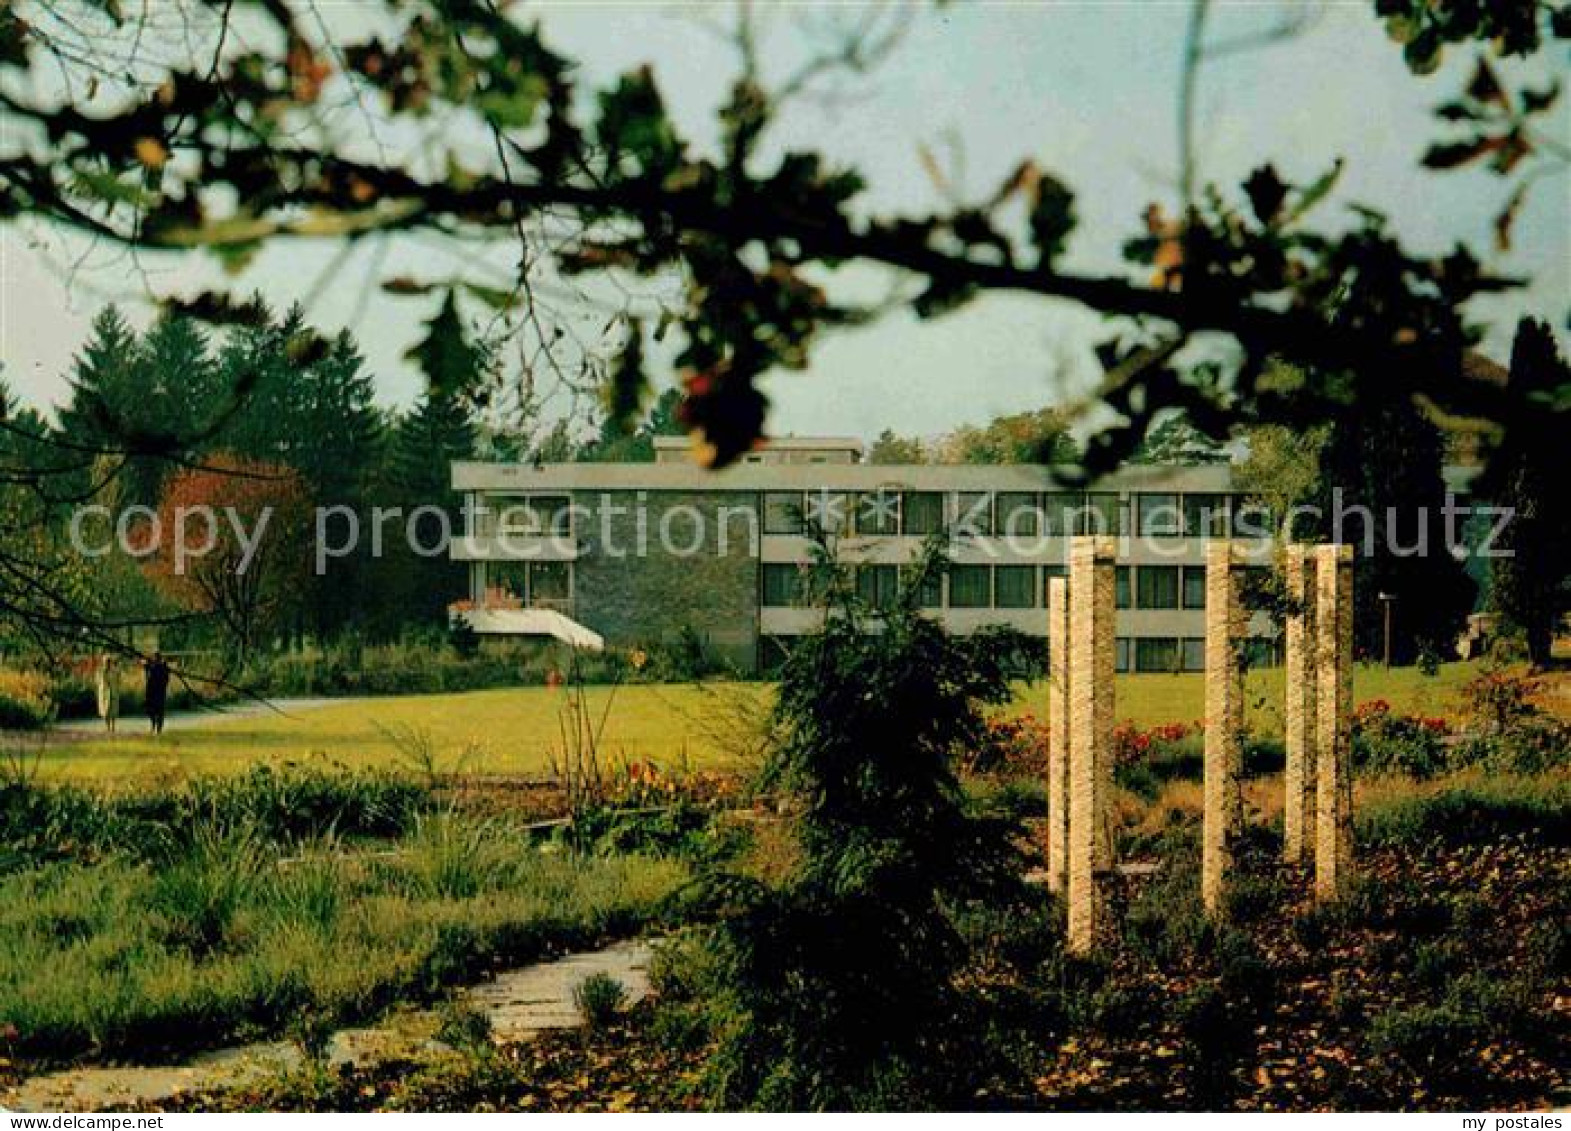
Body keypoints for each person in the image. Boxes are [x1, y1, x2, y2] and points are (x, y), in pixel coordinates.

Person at [144, 652, 171, 736]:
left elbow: (166, 679)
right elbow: (146, 667)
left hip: (159, 693)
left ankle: (158, 729)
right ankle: (154, 726)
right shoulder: (152, 666)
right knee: (152, 711)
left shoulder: (162, 668)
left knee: (159, 712)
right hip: (152, 692)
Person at [95, 653, 119, 734]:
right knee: (105, 710)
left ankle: (113, 727)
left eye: (109, 661)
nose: (107, 663)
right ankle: (107, 727)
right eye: (106, 661)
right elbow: (98, 681)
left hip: (113, 692)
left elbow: (117, 680)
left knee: (113, 709)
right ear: (103, 662)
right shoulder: (100, 671)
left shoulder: (114, 671)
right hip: (104, 693)